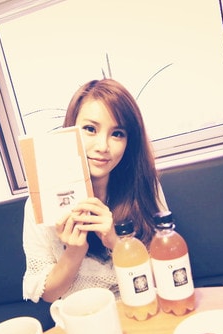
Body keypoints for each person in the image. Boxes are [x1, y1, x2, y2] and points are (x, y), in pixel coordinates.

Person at [22, 79, 167, 303]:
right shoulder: (40, 203)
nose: (102, 146)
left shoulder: (144, 185)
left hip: (142, 306)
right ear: (69, 131)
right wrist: (74, 251)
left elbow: (165, 274)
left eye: (117, 133)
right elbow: (49, 295)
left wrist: (116, 242)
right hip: (83, 315)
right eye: (90, 129)